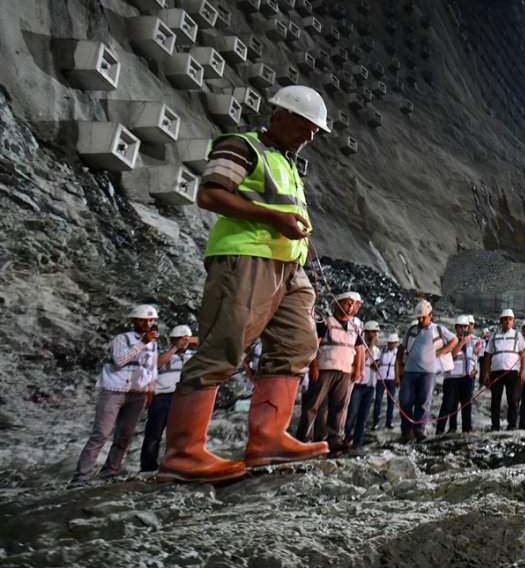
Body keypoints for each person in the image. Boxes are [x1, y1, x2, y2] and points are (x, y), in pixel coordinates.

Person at [160, 85, 332, 483]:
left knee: (298, 344)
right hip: (246, 258)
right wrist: (273, 219)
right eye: (305, 127)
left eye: (314, 133)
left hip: (289, 266)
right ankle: (183, 454)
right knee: (224, 344)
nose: (309, 137)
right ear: (279, 116)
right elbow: (211, 194)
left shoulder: (288, 162)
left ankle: (268, 439)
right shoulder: (243, 146)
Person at [72, 304, 160, 482]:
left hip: (138, 394)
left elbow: (152, 368)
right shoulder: (122, 339)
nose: (148, 323)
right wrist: (143, 343)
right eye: (144, 320)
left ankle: (110, 472)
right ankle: (81, 477)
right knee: (101, 434)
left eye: (151, 320)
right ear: (134, 321)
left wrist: (151, 389)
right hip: (114, 392)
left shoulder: (153, 344)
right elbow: (119, 361)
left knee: (124, 436)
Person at [296, 291, 365, 452]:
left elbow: (359, 348)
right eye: (347, 303)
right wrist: (314, 366)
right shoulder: (325, 322)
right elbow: (315, 345)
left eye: (354, 304)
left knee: (339, 406)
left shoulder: (357, 325)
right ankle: (304, 439)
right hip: (325, 369)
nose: (350, 307)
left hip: (345, 370)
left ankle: (335, 439)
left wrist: (358, 369)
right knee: (313, 404)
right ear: (337, 304)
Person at [396, 300, 456, 442]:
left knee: (423, 402)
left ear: (430, 315)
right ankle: (406, 430)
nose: (420, 320)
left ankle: (419, 430)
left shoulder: (438, 329)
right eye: (418, 318)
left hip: (428, 373)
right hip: (409, 372)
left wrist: (442, 351)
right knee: (404, 401)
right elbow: (402, 347)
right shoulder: (412, 330)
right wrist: (400, 366)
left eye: (423, 317)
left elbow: (454, 340)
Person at [140, 324, 197, 472]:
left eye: (185, 339)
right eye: (179, 339)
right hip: (162, 398)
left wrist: (190, 340)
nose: (182, 342)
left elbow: (211, 346)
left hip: (183, 398)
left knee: (182, 434)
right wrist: (174, 348)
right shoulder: (164, 354)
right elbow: (158, 364)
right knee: (154, 434)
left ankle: (178, 464)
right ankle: (148, 467)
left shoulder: (194, 356)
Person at [482, 309, 525, 431]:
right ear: (501, 321)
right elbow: (488, 355)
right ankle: (495, 426)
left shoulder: (518, 335)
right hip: (496, 373)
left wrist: (522, 371)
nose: (508, 321)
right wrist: (486, 373)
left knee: (512, 399)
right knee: (495, 400)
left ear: (513, 321)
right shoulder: (494, 336)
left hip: (512, 372)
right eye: (505, 319)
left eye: (510, 319)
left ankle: (512, 425)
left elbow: (522, 354)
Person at [437, 315, 478, 434]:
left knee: (466, 404)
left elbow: (472, 358)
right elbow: (452, 354)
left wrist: (474, 370)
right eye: (460, 327)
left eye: (465, 327)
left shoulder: (470, 343)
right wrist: (461, 343)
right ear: (456, 328)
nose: (463, 330)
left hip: (466, 377)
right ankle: (441, 430)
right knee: (448, 404)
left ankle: (466, 429)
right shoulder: (450, 340)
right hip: (452, 378)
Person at [343, 321, 381, 448]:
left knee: (363, 417)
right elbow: (361, 358)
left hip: (370, 387)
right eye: (372, 332)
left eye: (376, 332)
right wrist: (370, 346)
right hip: (358, 386)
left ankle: (357, 442)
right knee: (351, 414)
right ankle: (344, 439)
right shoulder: (359, 346)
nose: (375, 335)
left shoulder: (377, 350)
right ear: (366, 333)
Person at [372, 333, 399, 430]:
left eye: (392, 343)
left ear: (395, 343)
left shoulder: (398, 353)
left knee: (391, 401)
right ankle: (375, 422)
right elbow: (376, 362)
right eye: (389, 343)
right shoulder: (381, 351)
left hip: (391, 378)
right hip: (381, 378)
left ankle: (389, 421)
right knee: (378, 400)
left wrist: (398, 378)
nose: (390, 345)